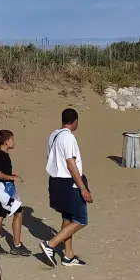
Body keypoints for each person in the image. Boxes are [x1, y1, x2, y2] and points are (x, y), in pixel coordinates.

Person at [38, 108, 92, 267]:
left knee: (68, 218)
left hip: (56, 181)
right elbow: (70, 163)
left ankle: (68, 255)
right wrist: (83, 188)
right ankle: (50, 244)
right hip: (69, 182)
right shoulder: (68, 138)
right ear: (75, 121)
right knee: (81, 220)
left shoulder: (53, 135)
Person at [0, 130, 31, 256]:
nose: (13, 142)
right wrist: (13, 178)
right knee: (18, 213)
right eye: (12, 139)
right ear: (6, 142)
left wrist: (12, 175)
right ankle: (17, 245)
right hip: (2, 190)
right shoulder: (2, 156)